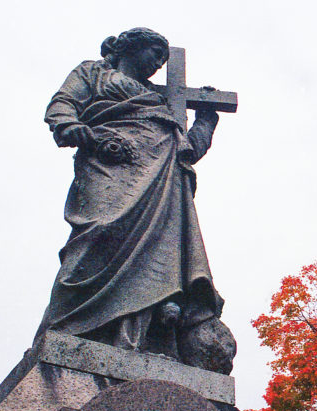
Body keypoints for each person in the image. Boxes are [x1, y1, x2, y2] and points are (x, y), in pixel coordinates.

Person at [34, 27, 229, 367]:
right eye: (154, 53)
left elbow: (185, 151)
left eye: (163, 58)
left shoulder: (160, 101)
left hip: (162, 178)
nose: (158, 63)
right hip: (110, 162)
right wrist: (68, 125)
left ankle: (135, 338)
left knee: (157, 255)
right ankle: (64, 329)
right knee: (99, 235)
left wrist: (206, 123)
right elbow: (63, 103)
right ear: (130, 47)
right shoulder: (92, 72)